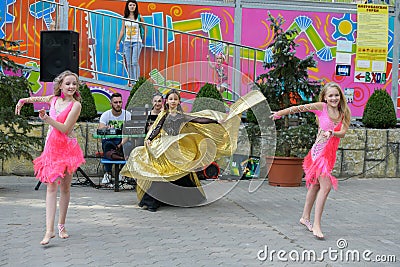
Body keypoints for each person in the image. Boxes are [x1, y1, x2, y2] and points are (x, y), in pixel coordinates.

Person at [121, 89, 266, 212]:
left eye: (175, 99)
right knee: (162, 173)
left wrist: (216, 121)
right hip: (165, 148)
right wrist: (150, 138)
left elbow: (199, 120)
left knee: (179, 173)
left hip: (177, 149)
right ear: (167, 101)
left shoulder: (182, 116)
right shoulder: (163, 115)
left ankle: (184, 198)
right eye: (170, 99)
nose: (172, 101)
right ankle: (152, 202)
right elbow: (157, 127)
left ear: (178, 101)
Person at [270, 82, 351, 240]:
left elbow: (342, 132)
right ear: (325, 98)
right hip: (319, 152)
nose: (334, 98)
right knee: (326, 186)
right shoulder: (321, 107)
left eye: (336, 95)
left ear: (340, 96)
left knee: (316, 185)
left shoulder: (344, 112)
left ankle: (305, 217)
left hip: (330, 155)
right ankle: (317, 225)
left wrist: (331, 133)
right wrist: (279, 113)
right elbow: (299, 108)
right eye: (331, 95)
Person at [15, 70, 85, 245]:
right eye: (68, 83)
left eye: (74, 84)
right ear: (60, 85)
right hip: (52, 149)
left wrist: (46, 119)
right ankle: (49, 230)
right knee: (51, 187)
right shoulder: (53, 99)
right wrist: (23, 100)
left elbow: (65, 129)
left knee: (65, 189)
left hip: (67, 149)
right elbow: (38, 99)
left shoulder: (76, 105)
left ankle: (61, 225)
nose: (71, 86)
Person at [98, 93, 131, 184]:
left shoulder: (127, 115)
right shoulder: (106, 115)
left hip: (123, 140)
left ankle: (122, 173)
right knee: (107, 145)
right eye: (115, 102)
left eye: (120, 102)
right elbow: (100, 129)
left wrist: (120, 144)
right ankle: (108, 173)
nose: (118, 104)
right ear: (111, 104)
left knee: (129, 146)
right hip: (110, 140)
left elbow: (128, 133)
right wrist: (107, 128)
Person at [116, 0, 146, 87]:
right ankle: (132, 82)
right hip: (127, 42)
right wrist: (118, 42)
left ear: (136, 6)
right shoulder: (125, 17)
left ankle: (137, 81)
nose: (132, 6)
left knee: (134, 62)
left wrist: (143, 40)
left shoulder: (139, 17)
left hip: (137, 42)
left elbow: (145, 28)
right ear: (127, 6)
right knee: (128, 62)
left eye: (133, 5)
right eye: (130, 5)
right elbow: (122, 30)